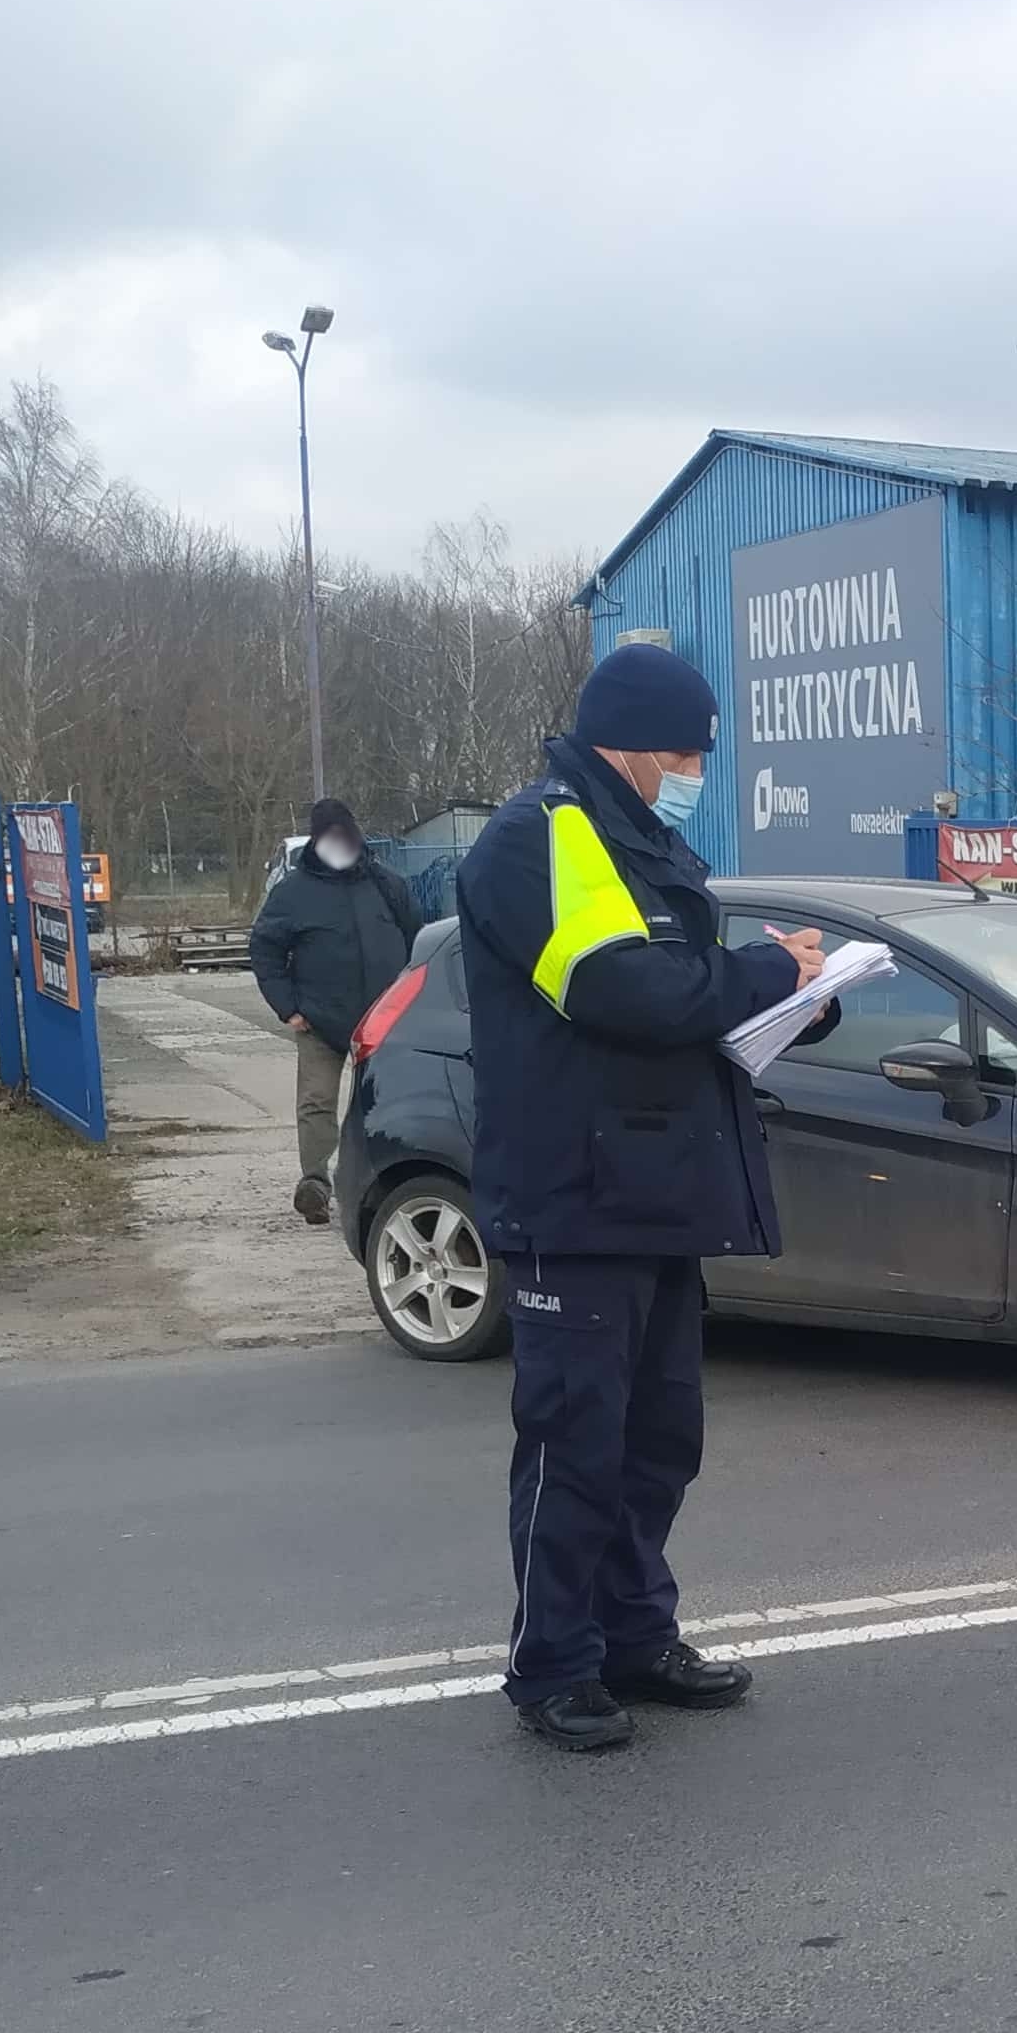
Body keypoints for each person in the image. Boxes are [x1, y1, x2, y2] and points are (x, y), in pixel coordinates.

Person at [452, 644, 828, 1753]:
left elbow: (686, 1003)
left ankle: (632, 1636)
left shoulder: (642, 840)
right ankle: (552, 1665)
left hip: (656, 1187)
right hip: (574, 1198)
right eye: (682, 752)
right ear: (630, 741)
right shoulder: (544, 838)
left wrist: (802, 1000)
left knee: (658, 1440)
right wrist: (767, 973)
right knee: (579, 1444)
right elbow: (622, 989)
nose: (691, 770)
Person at [246, 797, 422, 1222]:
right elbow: (264, 949)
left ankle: (382, 1183)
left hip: (384, 1022)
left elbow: (418, 939)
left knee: (385, 1105)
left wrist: (412, 1000)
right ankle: (315, 1184)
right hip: (319, 1021)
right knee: (317, 1102)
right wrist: (287, 1007)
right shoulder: (293, 893)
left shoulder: (387, 884)